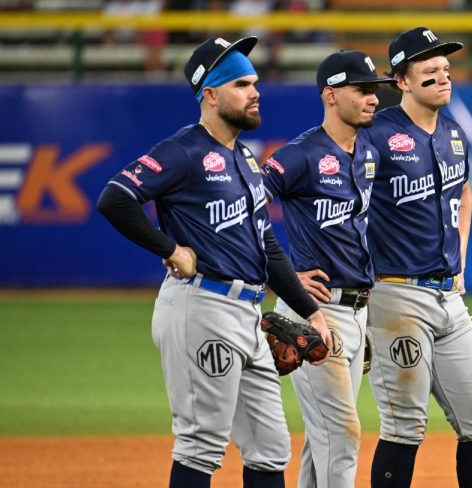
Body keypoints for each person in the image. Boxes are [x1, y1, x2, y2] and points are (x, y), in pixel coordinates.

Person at [96, 36, 332, 488]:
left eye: (255, 83)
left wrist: (312, 311)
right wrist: (171, 249)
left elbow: (267, 245)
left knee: (270, 450)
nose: (255, 92)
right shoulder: (183, 150)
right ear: (210, 94)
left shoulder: (244, 157)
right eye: (241, 84)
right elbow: (115, 199)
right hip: (202, 307)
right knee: (201, 445)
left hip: (248, 314)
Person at [359, 27, 472, 488]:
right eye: (430, 69)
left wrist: (461, 257)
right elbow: (342, 204)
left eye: (446, 67)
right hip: (395, 295)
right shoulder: (375, 134)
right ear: (401, 80)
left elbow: (465, 191)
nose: (443, 75)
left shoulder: (453, 133)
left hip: (449, 299)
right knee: (404, 425)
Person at [260, 50, 394, 488]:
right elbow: (243, 208)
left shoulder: (367, 151)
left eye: (375, 90)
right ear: (331, 95)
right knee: (342, 434)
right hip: (315, 311)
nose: (373, 98)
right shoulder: (300, 154)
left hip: (356, 312)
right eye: (363, 90)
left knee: (324, 439)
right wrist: (284, 275)